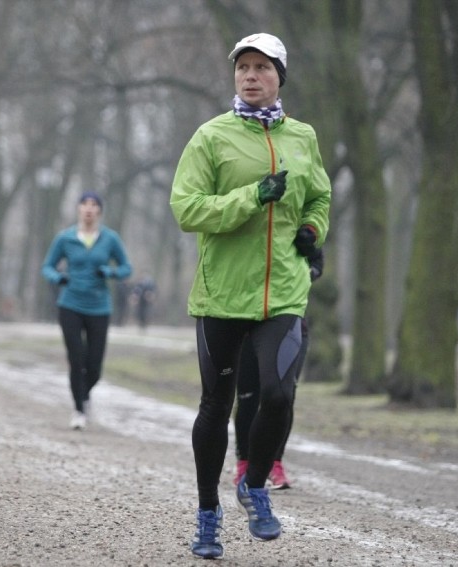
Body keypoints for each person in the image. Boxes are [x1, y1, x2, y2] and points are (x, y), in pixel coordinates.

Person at [170, 32, 331, 559]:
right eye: (243, 68)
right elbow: (187, 208)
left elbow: (320, 197)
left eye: (262, 67)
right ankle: (207, 515)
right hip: (222, 294)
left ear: (280, 76)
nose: (251, 76)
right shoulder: (211, 137)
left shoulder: (303, 137)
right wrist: (251, 197)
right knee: (216, 407)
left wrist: (311, 230)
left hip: (283, 290)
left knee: (279, 395)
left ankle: (254, 486)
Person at [234, 248, 324, 490]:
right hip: (246, 322)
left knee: (283, 397)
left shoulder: (299, 217)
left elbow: (317, 261)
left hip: (291, 323)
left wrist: (301, 274)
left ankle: (274, 463)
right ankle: (244, 463)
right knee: (248, 396)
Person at [41, 192, 132, 431]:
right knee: (76, 358)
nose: (89, 209)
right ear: (78, 209)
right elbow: (47, 266)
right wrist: (57, 277)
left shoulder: (110, 239)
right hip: (70, 304)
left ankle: (84, 394)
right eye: (85, 204)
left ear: (99, 211)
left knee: (94, 366)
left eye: (94, 205)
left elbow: (126, 267)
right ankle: (79, 410)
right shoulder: (65, 238)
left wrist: (111, 273)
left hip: (99, 307)